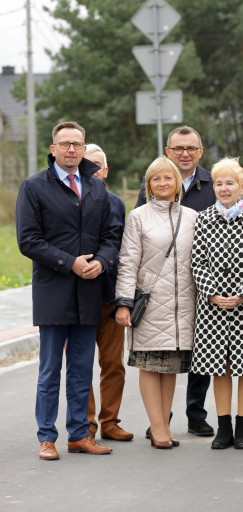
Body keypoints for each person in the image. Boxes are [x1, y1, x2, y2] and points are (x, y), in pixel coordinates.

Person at [17, 121, 120, 460]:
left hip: (88, 292)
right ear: (53, 149)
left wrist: (101, 263)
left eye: (77, 143)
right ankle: (47, 437)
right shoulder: (33, 188)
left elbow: (111, 237)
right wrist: (70, 263)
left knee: (81, 370)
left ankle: (79, 435)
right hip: (53, 292)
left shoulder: (96, 187)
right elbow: (28, 240)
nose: (72, 149)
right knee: (49, 372)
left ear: (84, 146)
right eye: (65, 144)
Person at [136, 126, 216, 438]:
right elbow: (138, 238)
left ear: (200, 151)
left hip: (200, 282)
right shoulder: (154, 181)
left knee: (201, 352)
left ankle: (196, 414)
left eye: (191, 148)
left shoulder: (212, 185)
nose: (184, 153)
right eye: (178, 148)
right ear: (168, 151)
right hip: (161, 287)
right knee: (163, 354)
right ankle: (161, 419)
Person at [114, 157, 198, 449]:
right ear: (148, 185)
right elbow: (127, 263)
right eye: (155, 179)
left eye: (168, 178)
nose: (162, 183)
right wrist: (123, 303)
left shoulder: (192, 216)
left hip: (183, 306)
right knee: (150, 366)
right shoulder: (139, 216)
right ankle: (157, 427)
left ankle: (164, 423)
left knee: (170, 367)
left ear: (178, 183)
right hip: (149, 304)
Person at [191, 157, 243, 450]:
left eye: (230, 183)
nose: (224, 189)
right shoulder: (203, 218)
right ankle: (223, 427)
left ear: (242, 186)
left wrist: (242, 293)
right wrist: (211, 292)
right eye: (219, 183)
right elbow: (197, 261)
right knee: (219, 366)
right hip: (212, 305)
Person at [84, 144, 133, 442]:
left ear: (105, 170)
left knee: (113, 364)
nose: (93, 170)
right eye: (87, 165)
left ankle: (110, 422)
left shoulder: (116, 203)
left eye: (98, 165)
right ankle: (85, 424)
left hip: (110, 298)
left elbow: (121, 248)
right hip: (77, 301)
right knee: (80, 366)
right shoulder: (69, 202)